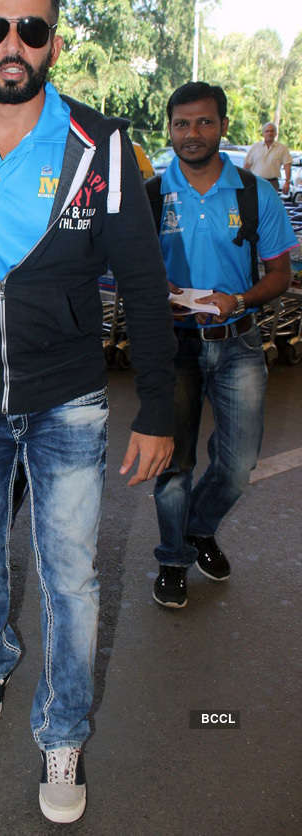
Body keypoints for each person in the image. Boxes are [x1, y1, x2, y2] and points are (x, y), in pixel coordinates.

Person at [0, 0, 176, 824]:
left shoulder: (105, 145)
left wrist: (160, 410)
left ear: (54, 41)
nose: (10, 44)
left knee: (70, 578)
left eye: (30, 28)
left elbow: (140, 286)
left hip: (68, 400)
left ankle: (63, 731)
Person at [150, 82, 295, 610]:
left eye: (204, 123)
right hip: (172, 347)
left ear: (223, 127)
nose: (193, 134)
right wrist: (153, 292)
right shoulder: (148, 196)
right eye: (182, 124)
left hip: (238, 343)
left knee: (237, 464)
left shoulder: (256, 193)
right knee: (173, 463)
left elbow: (280, 274)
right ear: (170, 129)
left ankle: (198, 528)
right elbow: (119, 270)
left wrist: (239, 298)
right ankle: (172, 558)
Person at [244, 122, 292, 194]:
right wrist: (244, 180)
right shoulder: (255, 147)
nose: (270, 133)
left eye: (272, 131)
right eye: (267, 131)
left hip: (272, 183)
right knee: (256, 204)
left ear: (275, 133)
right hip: (256, 182)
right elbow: (247, 166)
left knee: (271, 204)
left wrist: (287, 182)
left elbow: (287, 165)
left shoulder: (282, 148)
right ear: (263, 134)